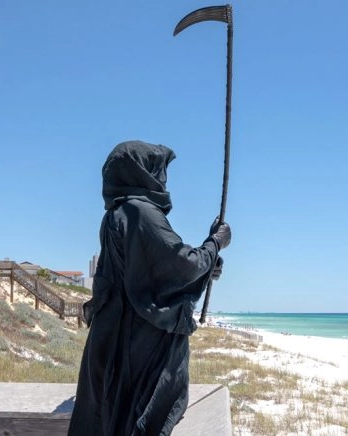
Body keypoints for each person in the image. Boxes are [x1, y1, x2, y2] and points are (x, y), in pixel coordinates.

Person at [68, 140, 232, 436]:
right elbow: (180, 265)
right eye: (157, 170)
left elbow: (149, 272)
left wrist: (207, 268)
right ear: (142, 173)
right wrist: (215, 243)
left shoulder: (116, 213)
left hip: (113, 336)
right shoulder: (140, 213)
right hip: (135, 343)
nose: (163, 179)